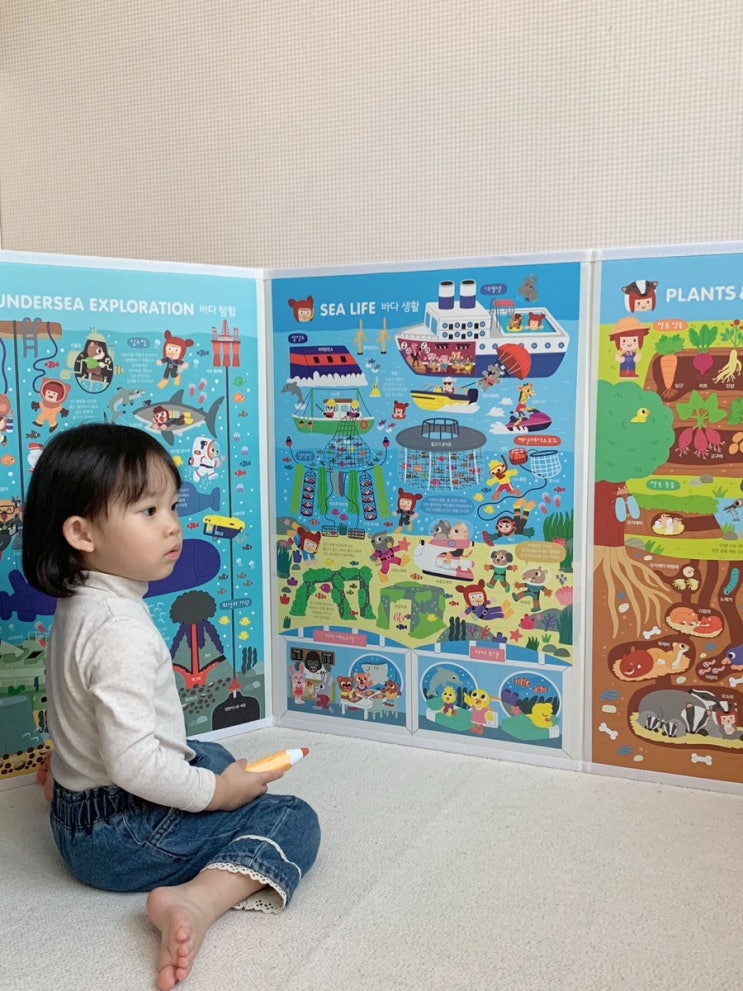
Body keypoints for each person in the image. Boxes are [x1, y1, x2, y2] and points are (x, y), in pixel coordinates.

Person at [22, 423, 320, 991]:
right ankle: (196, 901)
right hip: (117, 840)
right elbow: (135, 764)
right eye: (148, 511)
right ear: (82, 533)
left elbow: (82, 710)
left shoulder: (82, 600)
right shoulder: (121, 632)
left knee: (205, 753)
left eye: (173, 507)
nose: (172, 526)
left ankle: (65, 785)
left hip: (82, 809)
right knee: (292, 818)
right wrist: (218, 795)